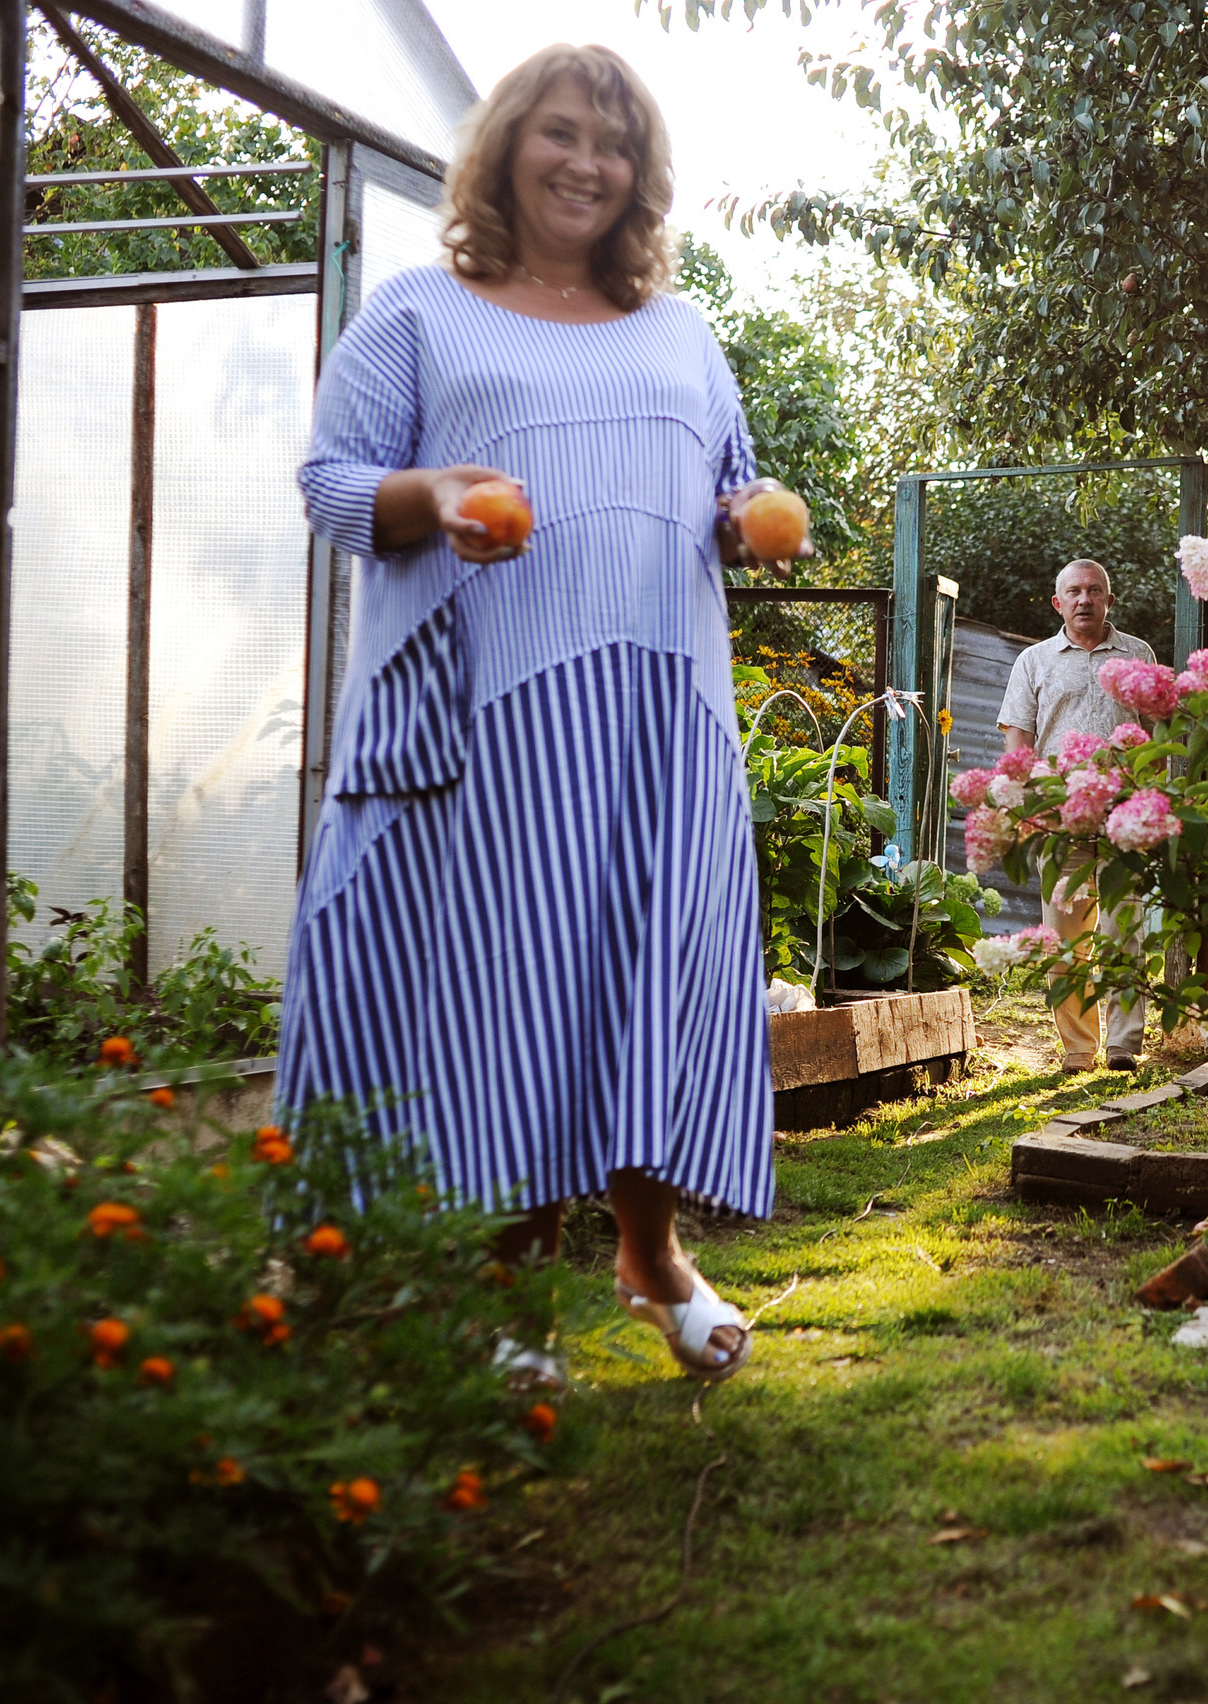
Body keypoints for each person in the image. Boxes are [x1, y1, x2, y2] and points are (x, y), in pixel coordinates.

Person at [279, 43, 778, 1383]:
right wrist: (432, 497)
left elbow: (730, 493)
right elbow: (330, 483)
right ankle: (502, 1300)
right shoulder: (420, 314)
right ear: (505, 149)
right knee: (512, 993)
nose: (586, 163)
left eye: (613, 145)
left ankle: (651, 1256)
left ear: (642, 177)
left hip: (660, 718)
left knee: (640, 977)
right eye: (559, 134)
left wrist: (745, 522)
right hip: (487, 716)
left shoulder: (682, 331)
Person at [995, 559, 1154, 1071]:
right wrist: (1022, 805)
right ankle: (1078, 1050)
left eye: (1094, 590)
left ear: (1110, 599)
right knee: (1064, 938)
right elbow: (1017, 740)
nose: (1084, 599)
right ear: (1056, 601)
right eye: (1074, 592)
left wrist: (1152, 800)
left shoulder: (1137, 654)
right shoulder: (1034, 661)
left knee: (1124, 930)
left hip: (1121, 817)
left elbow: (1156, 735)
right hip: (1058, 819)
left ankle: (1125, 1047)